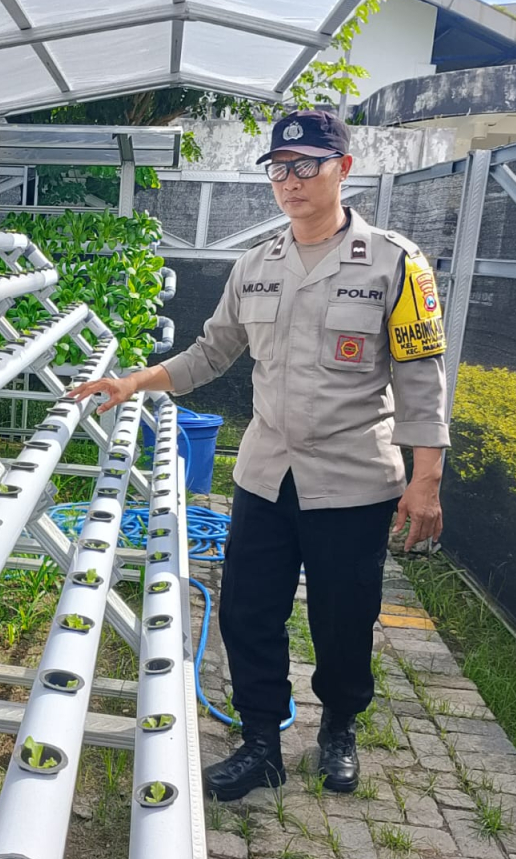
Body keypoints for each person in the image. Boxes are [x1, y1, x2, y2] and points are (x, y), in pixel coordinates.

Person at [69, 110, 450, 801]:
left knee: (342, 618)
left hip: (354, 482)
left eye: (307, 165)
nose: (291, 181)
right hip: (267, 476)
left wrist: (426, 481)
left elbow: (421, 379)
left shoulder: (397, 263)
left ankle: (338, 728)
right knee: (248, 613)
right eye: (279, 168)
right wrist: (132, 382)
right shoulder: (255, 264)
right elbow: (210, 352)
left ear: (344, 168)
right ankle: (261, 744)